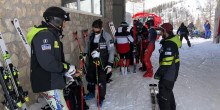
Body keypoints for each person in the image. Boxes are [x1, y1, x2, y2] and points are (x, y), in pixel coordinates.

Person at [27, 6, 82, 110]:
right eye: (64, 22)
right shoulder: (44, 36)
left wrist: (70, 70)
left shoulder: (51, 35)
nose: (64, 26)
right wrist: (66, 68)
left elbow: (56, 61)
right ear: (56, 21)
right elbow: (48, 63)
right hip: (49, 83)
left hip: (53, 81)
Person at [83, 19, 115, 107]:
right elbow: (87, 45)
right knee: (90, 77)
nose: (95, 33)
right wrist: (85, 54)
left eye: (97, 31)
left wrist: (109, 64)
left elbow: (111, 51)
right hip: (92, 61)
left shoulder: (107, 36)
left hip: (102, 62)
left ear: (101, 28)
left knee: (101, 81)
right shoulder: (91, 34)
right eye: (94, 30)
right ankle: (91, 92)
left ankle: (100, 98)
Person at [154, 23, 181, 110]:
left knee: (164, 94)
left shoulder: (170, 44)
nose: (160, 33)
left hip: (169, 73)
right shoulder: (169, 42)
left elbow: (167, 61)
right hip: (169, 73)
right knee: (167, 91)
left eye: (161, 31)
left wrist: (159, 72)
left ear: (165, 31)